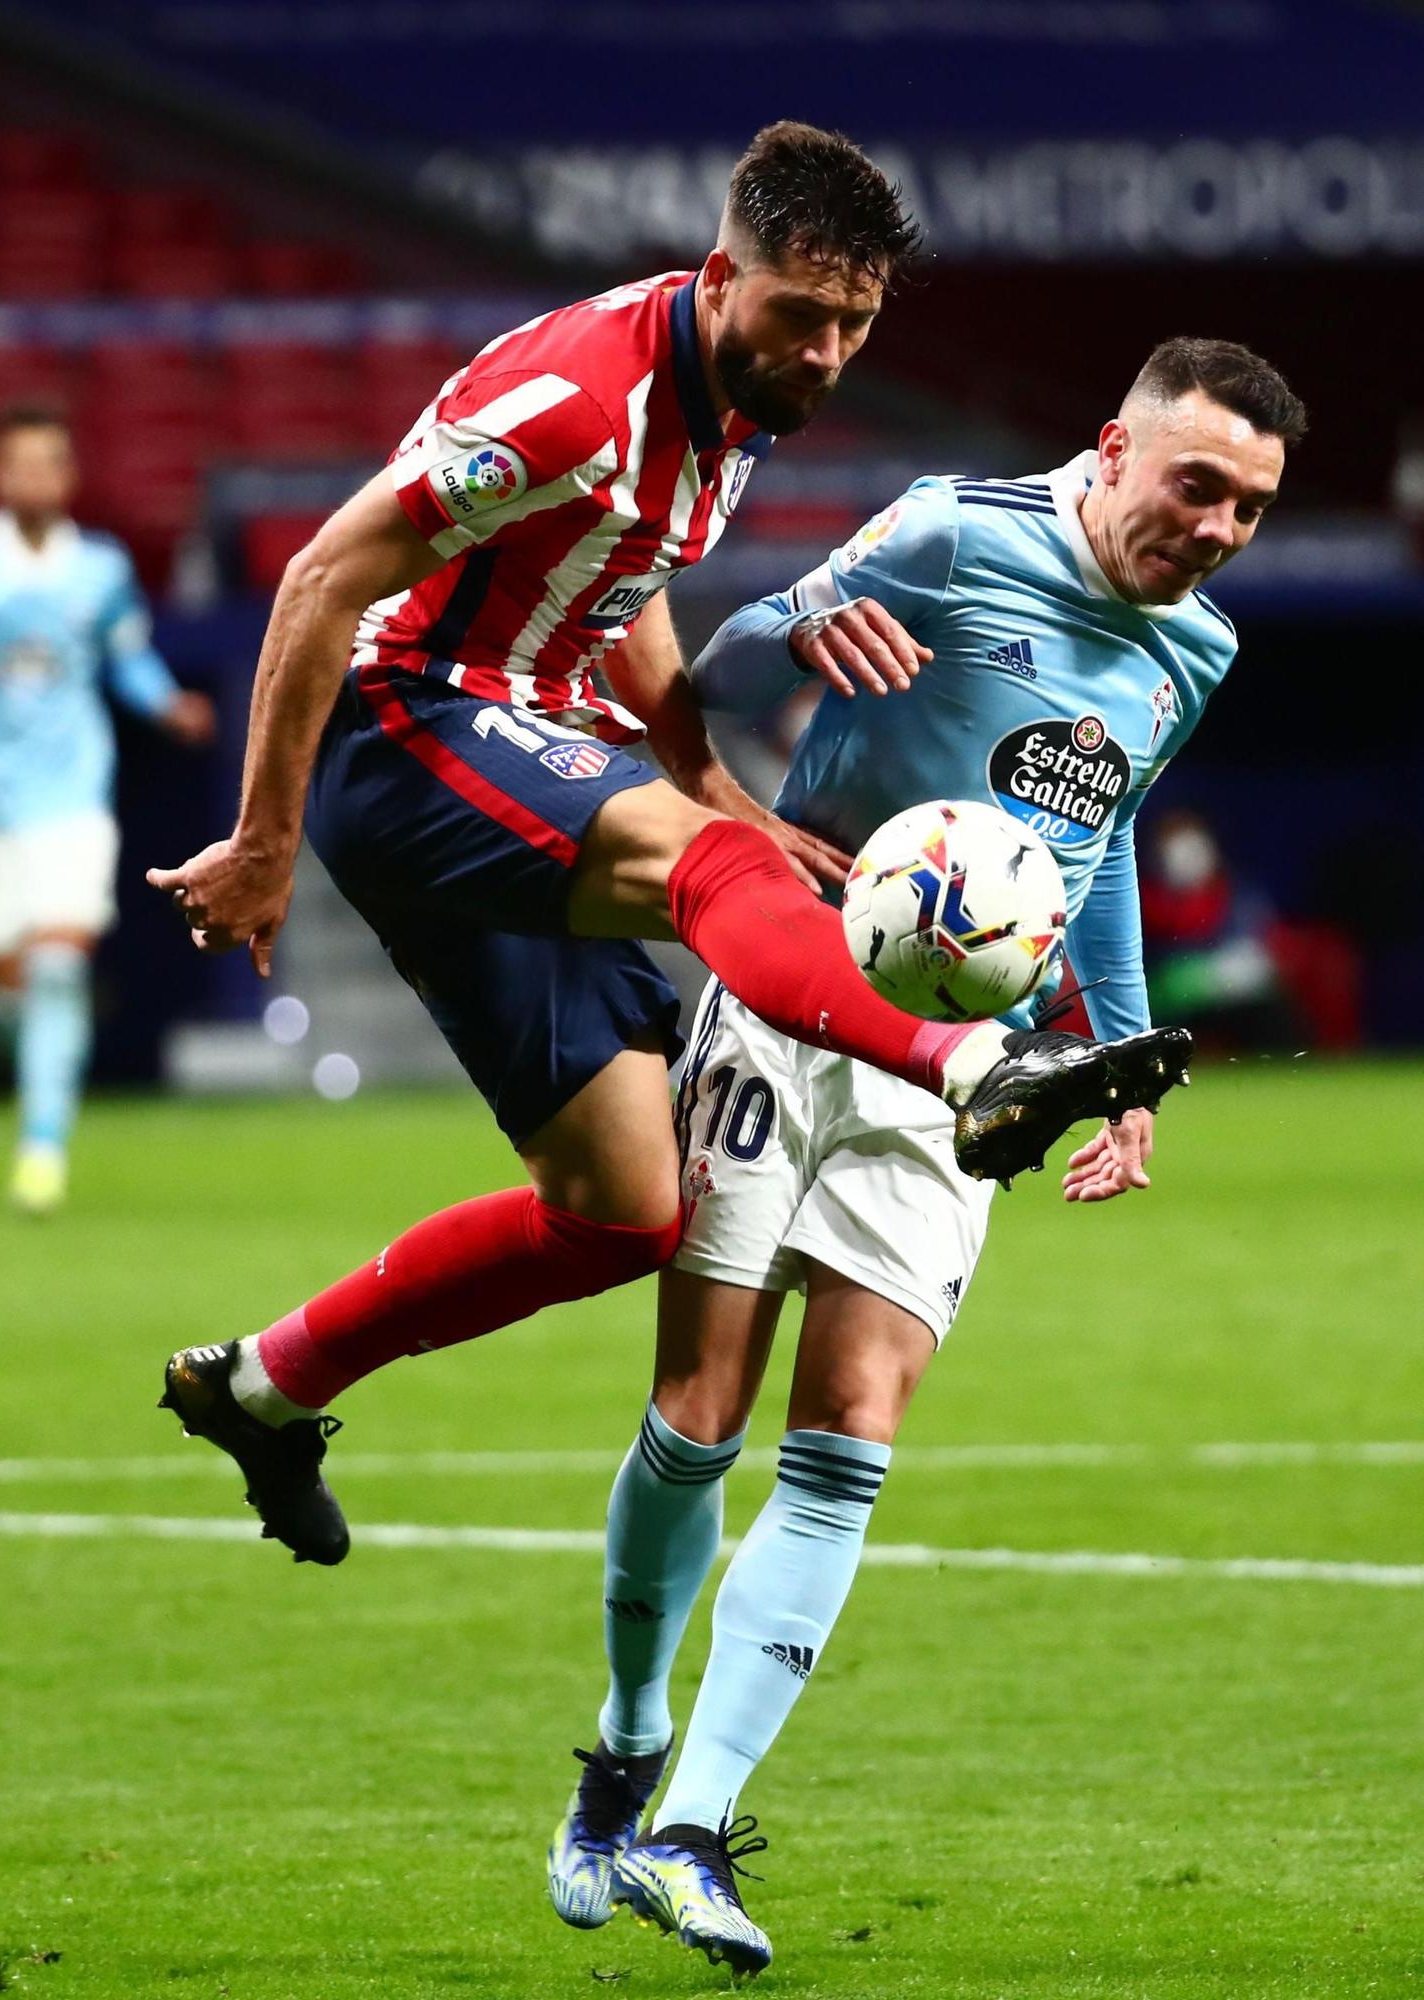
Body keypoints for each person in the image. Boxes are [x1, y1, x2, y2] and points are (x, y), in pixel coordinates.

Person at [149, 123, 1188, 1571]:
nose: (827, 352)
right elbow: (323, 575)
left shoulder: (733, 400)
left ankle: (261, 1387)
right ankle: (978, 1065)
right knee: (723, 880)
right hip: (420, 726)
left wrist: (707, 771)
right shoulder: (579, 398)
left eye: (854, 325)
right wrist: (263, 839)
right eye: (801, 316)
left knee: (626, 1212)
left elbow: (622, 568)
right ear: (719, 277)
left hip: (526, 742)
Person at [546, 337, 1306, 1974]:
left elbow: (1092, 847)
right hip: (791, 988)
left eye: (1249, 507)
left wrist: (1118, 1070)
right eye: (1199, 486)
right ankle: (620, 1746)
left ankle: (691, 1829)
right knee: (701, 1413)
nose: (1219, 527)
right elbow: (721, 668)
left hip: (967, 1060)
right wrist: (799, 623)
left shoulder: (1201, 647)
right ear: (1115, 449)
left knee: (856, 1427)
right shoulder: (954, 530)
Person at [0, 404, 215, 1213]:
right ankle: (19, 1054)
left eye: (49, 463)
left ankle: (41, 1150)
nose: (34, 478)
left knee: (58, 970)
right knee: (10, 982)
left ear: (69, 476)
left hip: (72, 797)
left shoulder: (100, 568)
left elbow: (126, 660)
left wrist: (166, 706)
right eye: (18, 464)